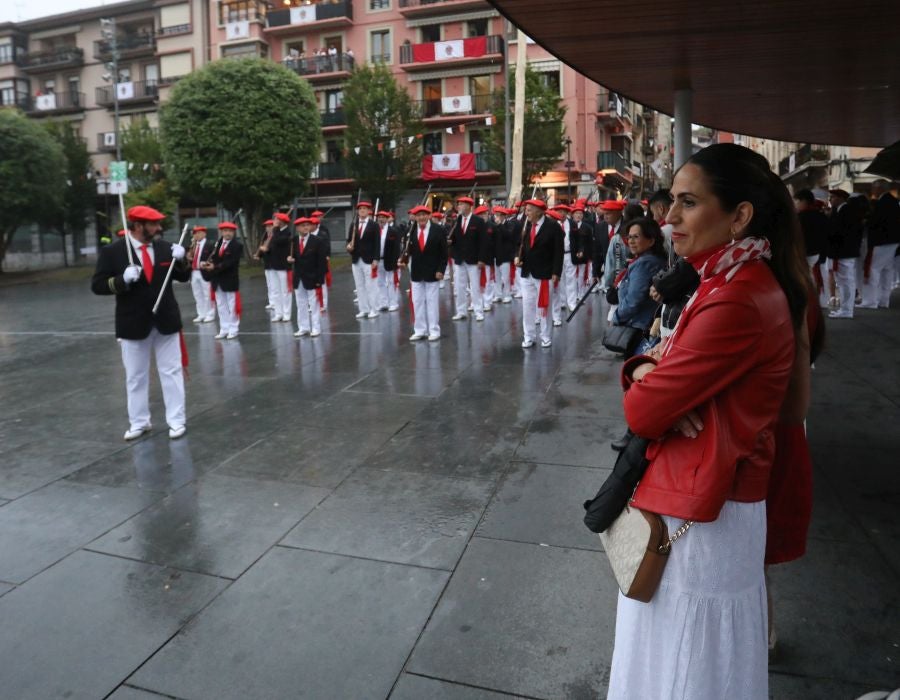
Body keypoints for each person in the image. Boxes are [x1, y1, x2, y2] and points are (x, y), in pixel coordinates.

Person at [606, 143, 809, 700]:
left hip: (705, 512)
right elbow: (663, 371)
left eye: (687, 202)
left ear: (739, 215)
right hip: (709, 503)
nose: (668, 217)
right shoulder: (728, 280)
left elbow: (644, 411)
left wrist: (650, 377)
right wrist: (657, 366)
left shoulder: (737, 296)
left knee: (685, 664)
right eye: (672, 201)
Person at [90, 205, 190, 440]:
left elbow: (183, 276)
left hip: (165, 319)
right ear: (137, 226)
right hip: (132, 323)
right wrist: (121, 280)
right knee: (135, 376)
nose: (158, 228)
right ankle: (139, 422)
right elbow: (98, 285)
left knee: (172, 372)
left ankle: (176, 420)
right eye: (153, 224)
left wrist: (183, 260)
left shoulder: (165, 248)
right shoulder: (113, 252)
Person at [610, 218, 667, 356]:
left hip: (639, 327)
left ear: (651, 241)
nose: (630, 241)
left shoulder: (644, 264)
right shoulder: (653, 259)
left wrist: (616, 317)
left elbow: (633, 300)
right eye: (629, 237)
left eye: (636, 237)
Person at [515, 199, 563, 348]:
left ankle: (545, 336)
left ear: (539, 211)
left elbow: (558, 251)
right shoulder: (526, 225)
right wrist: (518, 257)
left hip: (544, 273)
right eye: (526, 210)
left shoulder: (553, 226)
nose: (526, 213)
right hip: (527, 271)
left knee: (543, 307)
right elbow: (521, 245)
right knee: (527, 306)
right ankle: (529, 336)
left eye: (529, 210)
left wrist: (556, 272)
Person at [403, 205, 448, 341]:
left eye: (424, 215)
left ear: (429, 216)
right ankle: (420, 330)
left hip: (433, 271)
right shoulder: (411, 230)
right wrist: (402, 259)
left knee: (432, 302)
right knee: (417, 302)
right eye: (418, 215)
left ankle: (434, 330)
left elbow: (444, 253)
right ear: (415, 217)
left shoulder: (438, 230)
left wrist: (441, 270)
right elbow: (407, 249)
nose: (421, 218)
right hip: (416, 271)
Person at [448, 195, 489, 321]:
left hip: (474, 259)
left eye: (461, 204)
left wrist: (482, 259)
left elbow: (483, 241)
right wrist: (450, 242)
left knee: (475, 287)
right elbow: (455, 238)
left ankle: (478, 311)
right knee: (460, 287)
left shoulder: (478, 221)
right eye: (458, 204)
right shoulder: (457, 220)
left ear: (468, 206)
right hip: (460, 259)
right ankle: (461, 311)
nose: (458, 207)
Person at [860, 179, 900, 308]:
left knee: (874, 270)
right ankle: (884, 300)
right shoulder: (894, 202)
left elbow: (875, 222)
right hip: (893, 241)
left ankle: (870, 301)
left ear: (879, 188)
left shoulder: (881, 203)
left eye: (873, 187)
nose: (872, 190)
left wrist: (866, 221)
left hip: (880, 241)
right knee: (887, 270)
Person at [287, 217, 327, 337]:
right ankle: (303, 327)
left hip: (312, 277)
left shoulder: (317, 241)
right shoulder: (293, 240)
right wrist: (289, 259)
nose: (305, 227)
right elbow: (293, 256)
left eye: (307, 225)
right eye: (303, 225)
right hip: (299, 277)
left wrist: (320, 280)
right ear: (297, 228)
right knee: (301, 304)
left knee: (314, 304)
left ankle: (316, 327)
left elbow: (321, 262)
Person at [203, 221, 243, 339]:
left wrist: (215, 267)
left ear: (234, 233)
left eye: (230, 231)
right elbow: (215, 258)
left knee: (232, 305)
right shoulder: (218, 243)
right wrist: (208, 263)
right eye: (225, 231)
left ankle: (233, 329)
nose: (227, 233)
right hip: (217, 279)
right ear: (222, 232)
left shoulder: (237, 246)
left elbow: (230, 263)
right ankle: (224, 328)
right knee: (221, 305)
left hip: (229, 279)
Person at [825, 188, 860, 318]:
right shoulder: (839, 211)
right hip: (841, 251)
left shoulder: (847, 211)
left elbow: (840, 232)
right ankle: (845, 309)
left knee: (846, 281)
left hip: (844, 251)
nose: (830, 200)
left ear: (840, 198)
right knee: (843, 281)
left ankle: (847, 310)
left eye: (832, 197)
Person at [793, 188, 830, 305]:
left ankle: (808, 301)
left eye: (797, 201)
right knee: (813, 276)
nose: (796, 204)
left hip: (805, 253)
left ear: (804, 201)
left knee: (804, 278)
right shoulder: (821, 216)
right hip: (818, 253)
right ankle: (816, 300)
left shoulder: (801, 217)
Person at [347, 201, 380, 319]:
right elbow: (349, 240)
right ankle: (363, 309)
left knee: (371, 285)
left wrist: (376, 259)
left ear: (368, 211)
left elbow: (377, 243)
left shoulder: (374, 225)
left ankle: (374, 309)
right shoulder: (354, 224)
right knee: (359, 286)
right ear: (357, 211)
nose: (362, 210)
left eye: (364, 209)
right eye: (360, 209)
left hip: (369, 260)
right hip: (356, 259)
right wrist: (349, 247)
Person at [186, 225, 215, 323]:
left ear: (204, 233)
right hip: (194, 272)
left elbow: (214, 258)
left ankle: (210, 314)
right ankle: (201, 314)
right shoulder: (193, 245)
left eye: (198, 233)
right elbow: (190, 258)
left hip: (204, 272)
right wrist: (189, 258)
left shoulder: (210, 244)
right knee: (197, 294)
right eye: (195, 233)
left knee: (207, 294)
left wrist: (208, 263)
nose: (196, 235)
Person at [268, 212, 293, 323]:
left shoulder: (287, 233)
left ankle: (286, 313)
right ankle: (279, 313)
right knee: (276, 291)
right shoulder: (276, 231)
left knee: (285, 291)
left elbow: (277, 241)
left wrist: (274, 229)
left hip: (283, 266)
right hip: (273, 264)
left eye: (276, 219)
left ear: (281, 221)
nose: (274, 221)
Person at [254, 218, 277, 313]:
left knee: (275, 284)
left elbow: (274, 249)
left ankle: (276, 302)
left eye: (270, 226)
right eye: (267, 226)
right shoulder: (265, 237)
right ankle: (271, 302)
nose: (268, 228)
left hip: (274, 263)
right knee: (270, 284)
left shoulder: (275, 237)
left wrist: (267, 249)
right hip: (267, 263)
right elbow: (262, 248)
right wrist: (258, 255)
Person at [310, 213, 331, 311]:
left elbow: (326, 247)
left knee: (322, 284)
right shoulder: (308, 235)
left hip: (320, 263)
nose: (308, 227)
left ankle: (323, 304)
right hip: (310, 263)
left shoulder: (322, 234)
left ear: (315, 225)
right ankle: (313, 304)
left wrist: (327, 256)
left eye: (310, 225)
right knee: (311, 284)